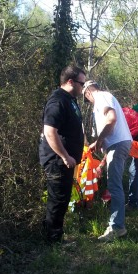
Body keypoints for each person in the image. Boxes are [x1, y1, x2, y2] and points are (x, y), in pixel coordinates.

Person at [39, 65, 86, 243]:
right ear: (70, 81)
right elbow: (50, 131)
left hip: (65, 160)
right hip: (57, 161)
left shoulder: (70, 99)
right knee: (57, 200)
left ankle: (53, 234)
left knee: (63, 197)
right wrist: (65, 156)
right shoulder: (57, 101)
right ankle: (52, 240)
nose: (83, 88)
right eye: (81, 83)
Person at [82, 80, 133, 242]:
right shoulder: (104, 98)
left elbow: (111, 119)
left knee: (114, 186)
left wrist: (99, 140)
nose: (88, 102)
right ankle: (117, 225)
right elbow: (110, 130)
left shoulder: (101, 97)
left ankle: (117, 227)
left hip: (118, 145)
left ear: (88, 92)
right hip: (117, 145)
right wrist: (100, 150)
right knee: (114, 184)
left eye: (86, 98)